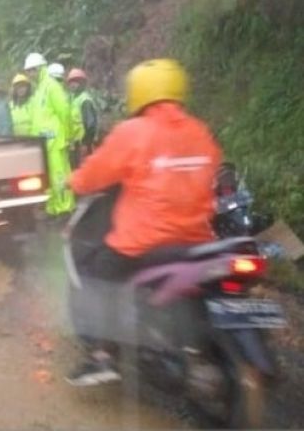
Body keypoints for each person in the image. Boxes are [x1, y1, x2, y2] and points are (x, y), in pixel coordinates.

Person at [65, 58, 222, 386]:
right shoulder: (199, 131)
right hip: (197, 239)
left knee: (95, 272)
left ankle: (102, 356)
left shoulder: (132, 132)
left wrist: (75, 182)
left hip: (144, 241)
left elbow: (95, 174)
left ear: (138, 92)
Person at [23, 52, 75, 217]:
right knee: (50, 180)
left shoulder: (52, 86)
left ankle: (65, 208)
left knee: (60, 177)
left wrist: (68, 136)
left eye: (33, 70)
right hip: (44, 143)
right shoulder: (39, 90)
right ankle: (53, 208)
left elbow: (64, 111)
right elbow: (37, 119)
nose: (30, 74)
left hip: (56, 141)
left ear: (40, 68)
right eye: (28, 71)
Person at [66, 68, 98, 168]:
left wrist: (86, 143)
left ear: (82, 83)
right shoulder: (72, 99)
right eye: (71, 82)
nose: (73, 84)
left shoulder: (85, 100)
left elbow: (91, 124)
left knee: (85, 169)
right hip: (74, 144)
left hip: (84, 144)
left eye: (76, 81)